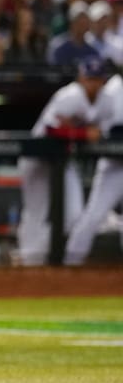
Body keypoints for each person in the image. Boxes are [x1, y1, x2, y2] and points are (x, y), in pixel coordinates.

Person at [17, 57, 110, 266]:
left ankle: (51, 259)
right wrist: (82, 133)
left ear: (103, 80)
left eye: (96, 78)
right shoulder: (70, 95)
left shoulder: (104, 101)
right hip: (37, 157)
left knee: (74, 214)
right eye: (89, 78)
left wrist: (82, 132)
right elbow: (52, 129)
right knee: (36, 210)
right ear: (81, 77)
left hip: (62, 160)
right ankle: (29, 260)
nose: (92, 83)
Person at [65, 66, 123, 265]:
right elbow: (101, 124)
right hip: (114, 164)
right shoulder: (114, 88)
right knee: (95, 214)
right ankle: (72, 262)